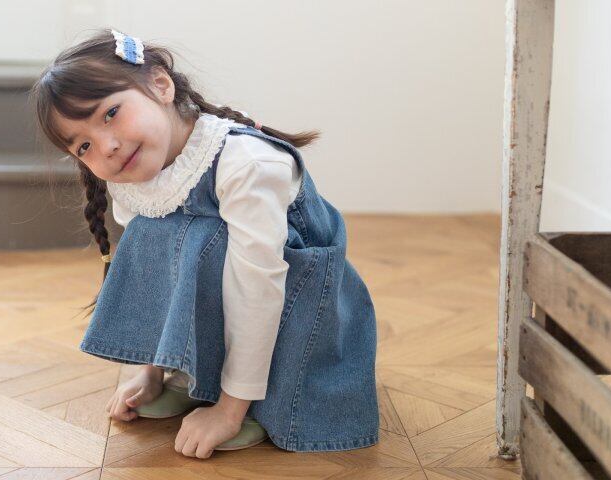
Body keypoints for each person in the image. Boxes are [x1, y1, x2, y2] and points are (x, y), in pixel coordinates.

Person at [30, 28, 378, 459]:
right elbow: (150, 274)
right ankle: (195, 378)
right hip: (236, 303)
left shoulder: (246, 163)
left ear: (161, 85)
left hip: (294, 304)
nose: (108, 147)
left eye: (110, 114)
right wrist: (151, 370)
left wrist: (230, 412)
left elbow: (258, 292)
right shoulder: (134, 174)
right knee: (149, 236)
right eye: (84, 146)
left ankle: (249, 399)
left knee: (209, 239)